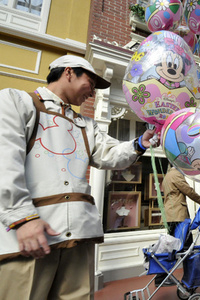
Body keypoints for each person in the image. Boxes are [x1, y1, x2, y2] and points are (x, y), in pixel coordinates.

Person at [0, 55, 159, 300]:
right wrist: (22, 218)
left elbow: (110, 155)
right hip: (30, 236)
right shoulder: (16, 101)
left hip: (80, 237)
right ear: (69, 72)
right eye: (91, 82)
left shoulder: (86, 125)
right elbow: (4, 161)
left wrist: (139, 144)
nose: (93, 92)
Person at [157, 166, 200, 286]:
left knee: (173, 247)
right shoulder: (175, 174)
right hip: (177, 216)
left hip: (171, 216)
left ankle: (161, 277)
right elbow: (188, 191)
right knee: (187, 249)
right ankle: (190, 279)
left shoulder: (168, 175)